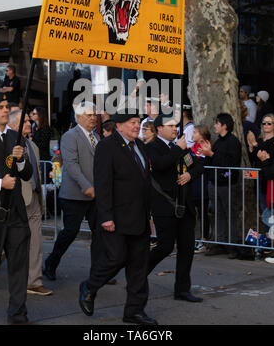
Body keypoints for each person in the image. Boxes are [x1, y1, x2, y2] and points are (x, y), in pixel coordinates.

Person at [79, 111, 157, 325]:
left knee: (139, 267)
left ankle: (134, 311)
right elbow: (102, 183)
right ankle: (90, 286)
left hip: (139, 217)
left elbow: (144, 182)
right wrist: (105, 216)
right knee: (116, 258)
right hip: (117, 217)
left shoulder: (139, 146)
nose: (136, 126)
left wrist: (149, 215)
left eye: (138, 123)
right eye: (132, 123)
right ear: (119, 125)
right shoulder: (107, 146)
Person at [0, 92, 33, 324]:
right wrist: (0, 183)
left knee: (19, 265)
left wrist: (20, 161)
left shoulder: (15, 136)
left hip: (17, 212)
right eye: (0, 107)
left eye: (6, 107)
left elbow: (27, 173)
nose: (5, 110)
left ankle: (18, 314)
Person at [145, 113, 204, 303]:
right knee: (164, 246)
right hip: (165, 205)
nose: (175, 129)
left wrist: (190, 176)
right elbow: (160, 165)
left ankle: (182, 289)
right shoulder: (152, 147)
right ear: (159, 128)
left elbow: (196, 166)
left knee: (187, 248)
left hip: (184, 205)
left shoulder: (181, 149)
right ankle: (138, 274)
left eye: (176, 126)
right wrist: (178, 149)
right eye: (170, 126)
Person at [43, 102, 100, 281]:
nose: (93, 117)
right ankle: (51, 264)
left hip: (95, 195)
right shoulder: (70, 136)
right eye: (89, 115)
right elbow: (72, 165)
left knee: (99, 233)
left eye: (94, 114)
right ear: (79, 117)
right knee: (70, 232)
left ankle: (98, 271)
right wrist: (87, 186)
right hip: (74, 195)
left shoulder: (96, 137)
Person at [9, 110, 52, 296]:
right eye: (24, 121)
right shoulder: (8, 144)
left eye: (28, 120)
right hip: (14, 201)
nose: (29, 123)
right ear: (14, 124)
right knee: (2, 244)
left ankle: (33, 281)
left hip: (33, 198)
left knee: (35, 242)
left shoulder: (32, 145)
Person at [200, 113, 242, 258]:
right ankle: (219, 243)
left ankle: (232, 246)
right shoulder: (217, 142)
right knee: (217, 214)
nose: (215, 126)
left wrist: (211, 154)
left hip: (227, 184)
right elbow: (212, 161)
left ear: (224, 125)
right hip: (214, 183)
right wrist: (206, 154)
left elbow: (231, 164)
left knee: (229, 214)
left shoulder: (233, 142)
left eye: (217, 123)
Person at [247, 113, 274, 231]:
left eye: (269, 123)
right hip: (259, 178)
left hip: (270, 180)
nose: (266, 125)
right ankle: (269, 238)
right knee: (263, 208)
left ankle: (271, 239)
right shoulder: (259, 139)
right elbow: (254, 157)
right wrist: (251, 147)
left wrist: (255, 145)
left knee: (269, 211)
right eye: (264, 123)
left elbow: (266, 155)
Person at [190, 125, 211, 250]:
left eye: (194, 132)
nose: (192, 135)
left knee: (203, 214)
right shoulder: (191, 148)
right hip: (192, 185)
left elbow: (204, 164)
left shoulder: (206, 147)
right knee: (192, 214)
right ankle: (191, 239)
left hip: (203, 186)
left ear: (201, 135)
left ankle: (204, 239)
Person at [31, 107, 51, 184]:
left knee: (42, 182)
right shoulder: (35, 128)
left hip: (43, 159)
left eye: (34, 114)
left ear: (40, 115)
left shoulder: (45, 128)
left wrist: (32, 143)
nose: (32, 115)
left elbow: (43, 144)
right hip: (37, 158)